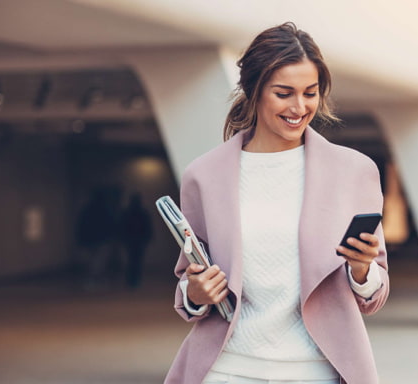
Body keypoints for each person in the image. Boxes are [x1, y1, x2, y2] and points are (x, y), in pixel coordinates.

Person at [165, 22, 389, 384]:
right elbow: (188, 283)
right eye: (284, 93)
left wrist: (362, 270)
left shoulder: (354, 171)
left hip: (316, 370)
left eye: (310, 93)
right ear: (254, 91)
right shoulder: (203, 175)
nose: (299, 107)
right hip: (227, 368)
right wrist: (195, 292)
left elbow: (372, 298)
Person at [119, 192, 153, 288]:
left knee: (134, 260)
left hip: (135, 241)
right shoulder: (140, 213)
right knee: (135, 261)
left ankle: (133, 280)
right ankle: (133, 280)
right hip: (134, 241)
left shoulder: (131, 212)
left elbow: (147, 227)